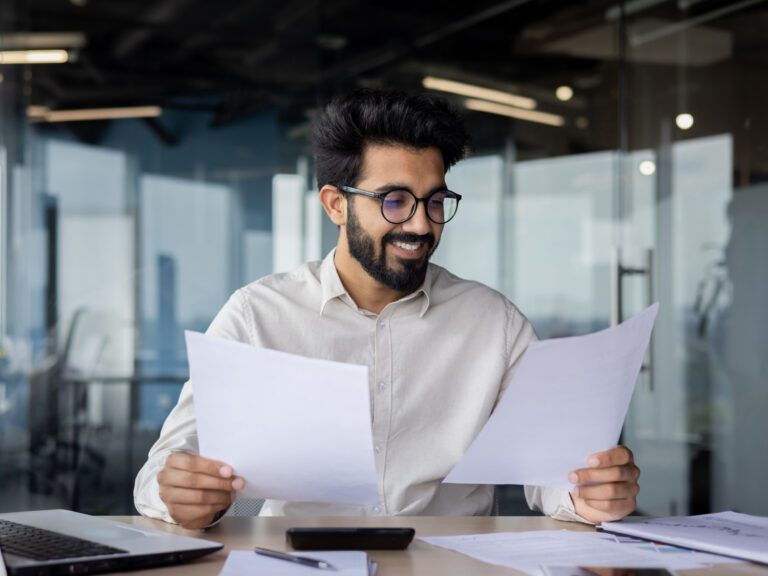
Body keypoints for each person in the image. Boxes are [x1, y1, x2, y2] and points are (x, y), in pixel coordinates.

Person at [134, 88, 640, 530]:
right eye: (395, 201)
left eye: (435, 201)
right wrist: (178, 492)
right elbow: (164, 470)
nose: (421, 225)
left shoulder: (495, 324)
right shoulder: (257, 315)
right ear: (336, 204)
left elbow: (551, 474)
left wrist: (587, 493)